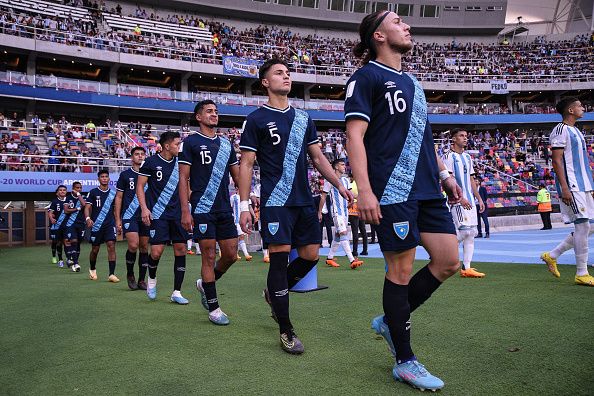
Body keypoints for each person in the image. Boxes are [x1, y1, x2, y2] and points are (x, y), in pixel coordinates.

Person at [345, 11, 462, 391]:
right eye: (398, 21)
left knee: (448, 261)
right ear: (379, 35)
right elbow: (355, 137)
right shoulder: (366, 77)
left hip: (428, 187)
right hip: (392, 189)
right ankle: (405, 361)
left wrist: (444, 175)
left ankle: (390, 319)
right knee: (400, 269)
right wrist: (365, 189)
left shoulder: (413, 81)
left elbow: (424, 139)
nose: (407, 25)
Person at [238, 58, 353, 354]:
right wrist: (243, 203)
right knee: (278, 259)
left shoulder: (303, 118)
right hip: (276, 201)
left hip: (304, 199)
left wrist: (339, 184)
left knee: (311, 255)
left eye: (288, 73)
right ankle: (286, 329)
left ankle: (272, 294)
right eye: (279, 73)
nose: (286, 76)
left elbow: (317, 158)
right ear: (265, 81)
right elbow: (247, 163)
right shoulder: (256, 119)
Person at [179, 100, 241, 325]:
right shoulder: (191, 142)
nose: (214, 115)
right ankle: (214, 309)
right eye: (209, 111)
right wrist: (186, 210)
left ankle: (204, 284)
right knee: (208, 256)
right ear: (198, 117)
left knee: (232, 254)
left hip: (224, 206)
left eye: (216, 111)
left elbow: (237, 176)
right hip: (202, 207)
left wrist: (246, 203)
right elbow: (183, 178)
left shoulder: (226, 144)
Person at [541, 98, 594, 286]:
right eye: (580, 105)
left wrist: (591, 185)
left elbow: (582, 161)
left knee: (590, 226)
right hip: (571, 184)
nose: (583, 108)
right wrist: (564, 187)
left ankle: (552, 255)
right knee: (582, 226)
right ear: (570, 110)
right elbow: (556, 161)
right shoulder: (560, 129)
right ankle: (581, 272)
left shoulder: (576, 130)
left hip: (584, 184)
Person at [137, 131, 191, 303]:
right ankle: (151, 279)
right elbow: (140, 187)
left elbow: (187, 186)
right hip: (158, 214)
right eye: (177, 144)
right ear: (167, 146)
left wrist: (189, 209)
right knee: (156, 251)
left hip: (178, 215)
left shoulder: (181, 163)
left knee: (181, 249)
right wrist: (144, 209)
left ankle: (177, 292)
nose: (179, 147)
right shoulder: (151, 162)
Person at [443, 128, 486, 278]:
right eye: (461, 136)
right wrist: (460, 198)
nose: (465, 138)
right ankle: (441, 253)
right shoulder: (448, 157)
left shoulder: (468, 157)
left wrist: (479, 198)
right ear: (453, 139)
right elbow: (446, 180)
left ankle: (466, 268)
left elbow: (471, 180)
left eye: (466, 136)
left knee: (471, 234)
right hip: (457, 201)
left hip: (470, 201)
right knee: (464, 231)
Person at [114, 146, 149, 290]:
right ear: (132, 158)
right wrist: (118, 220)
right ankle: (130, 275)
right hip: (129, 215)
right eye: (137, 154)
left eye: (142, 154)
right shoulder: (125, 175)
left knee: (144, 247)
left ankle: (141, 280)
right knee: (133, 245)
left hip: (146, 215)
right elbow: (119, 197)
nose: (140, 156)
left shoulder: (150, 174)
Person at [319, 159, 363, 269]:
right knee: (343, 233)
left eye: (344, 164)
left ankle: (329, 258)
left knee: (338, 236)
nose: (345, 167)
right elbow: (323, 196)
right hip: (337, 212)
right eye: (342, 165)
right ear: (336, 167)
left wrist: (352, 200)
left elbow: (349, 195)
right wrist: (319, 212)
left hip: (345, 212)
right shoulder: (329, 180)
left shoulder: (346, 180)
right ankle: (352, 260)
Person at [84, 170, 119, 283]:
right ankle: (92, 269)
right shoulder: (93, 192)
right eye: (102, 177)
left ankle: (112, 274)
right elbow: (87, 207)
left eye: (106, 176)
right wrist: (88, 218)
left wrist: (118, 222)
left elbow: (115, 210)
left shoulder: (113, 194)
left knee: (111, 245)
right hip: (97, 225)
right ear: (98, 179)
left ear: (109, 179)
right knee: (95, 249)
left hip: (109, 224)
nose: (104, 178)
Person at [63, 182, 87, 272]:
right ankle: (75, 263)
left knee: (78, 243)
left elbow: (84, 205)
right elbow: (66, 211)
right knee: (73, 241)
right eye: (77, 188)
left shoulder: (83, 197)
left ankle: (72, 258)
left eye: (80, 188)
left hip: (81, 224)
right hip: (71, 224)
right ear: (73, 188)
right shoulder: (68, 198)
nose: (79, 189)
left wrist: (78, 194)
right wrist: (77, 209)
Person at [231, 188, 254, 261]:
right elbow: (230, 207)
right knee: (241, 237)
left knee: (239, 238)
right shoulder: (233, 197)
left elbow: (250, 207)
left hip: (244, 220)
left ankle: (235, 254)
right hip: (236, 220)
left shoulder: (246, 198)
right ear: (237, 188)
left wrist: (254, 216)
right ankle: (246, 255)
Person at [48, 185, 67, 267]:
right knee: (56, 242)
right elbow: (50, 213)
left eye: (64, 190)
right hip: (56, 225)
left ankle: (68, 258)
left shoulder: (69, 201)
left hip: (66, 225)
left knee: (67, 242)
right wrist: (51, 218)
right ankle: (58, 258)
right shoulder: (54, 201)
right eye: (60, 190)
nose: (62, 191)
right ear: (57, 192)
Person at [349, 175, 368, 256]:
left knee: (355, 230)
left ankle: (355, 251)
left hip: (353, 208)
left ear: (351, 177)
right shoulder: (361, 184)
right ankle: (365, 250)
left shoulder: (351, 184)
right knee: (363, 230)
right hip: (361, 207)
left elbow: (349, 196)